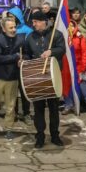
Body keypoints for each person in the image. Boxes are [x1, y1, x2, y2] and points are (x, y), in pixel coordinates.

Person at [24, 10, 66, 148]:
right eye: (33, 22)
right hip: (36, 78)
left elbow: (62, 49)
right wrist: (23, 60)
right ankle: (40, 136)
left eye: (36, 22)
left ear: (43, 22)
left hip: (53, 77)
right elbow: (26, 53)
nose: (33, 24)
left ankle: (55, 135)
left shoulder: (56, 34)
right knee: (38, 109)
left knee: (54, 108)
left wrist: (51, 52)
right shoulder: (30, 37)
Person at [0, 17, 24, 140]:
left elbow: (25, 54)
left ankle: (9, 129)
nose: (13, 30)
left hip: (12, 78)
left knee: (11, 106)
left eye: (14, 27)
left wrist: (22, 59)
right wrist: (16, 57)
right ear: (3, 28)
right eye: (10, 28)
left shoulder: (20, 39)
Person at [65, 15, 86, 114]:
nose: (70, 28)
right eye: (68, 26)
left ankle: (83, 103)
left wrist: (84, 67)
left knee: (81, 87)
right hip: (67, 67)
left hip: (79, 67)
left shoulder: (80, 38)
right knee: (67, 86)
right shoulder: (64, 37)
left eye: (72, 25)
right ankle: (68, 104)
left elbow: (84, 53)